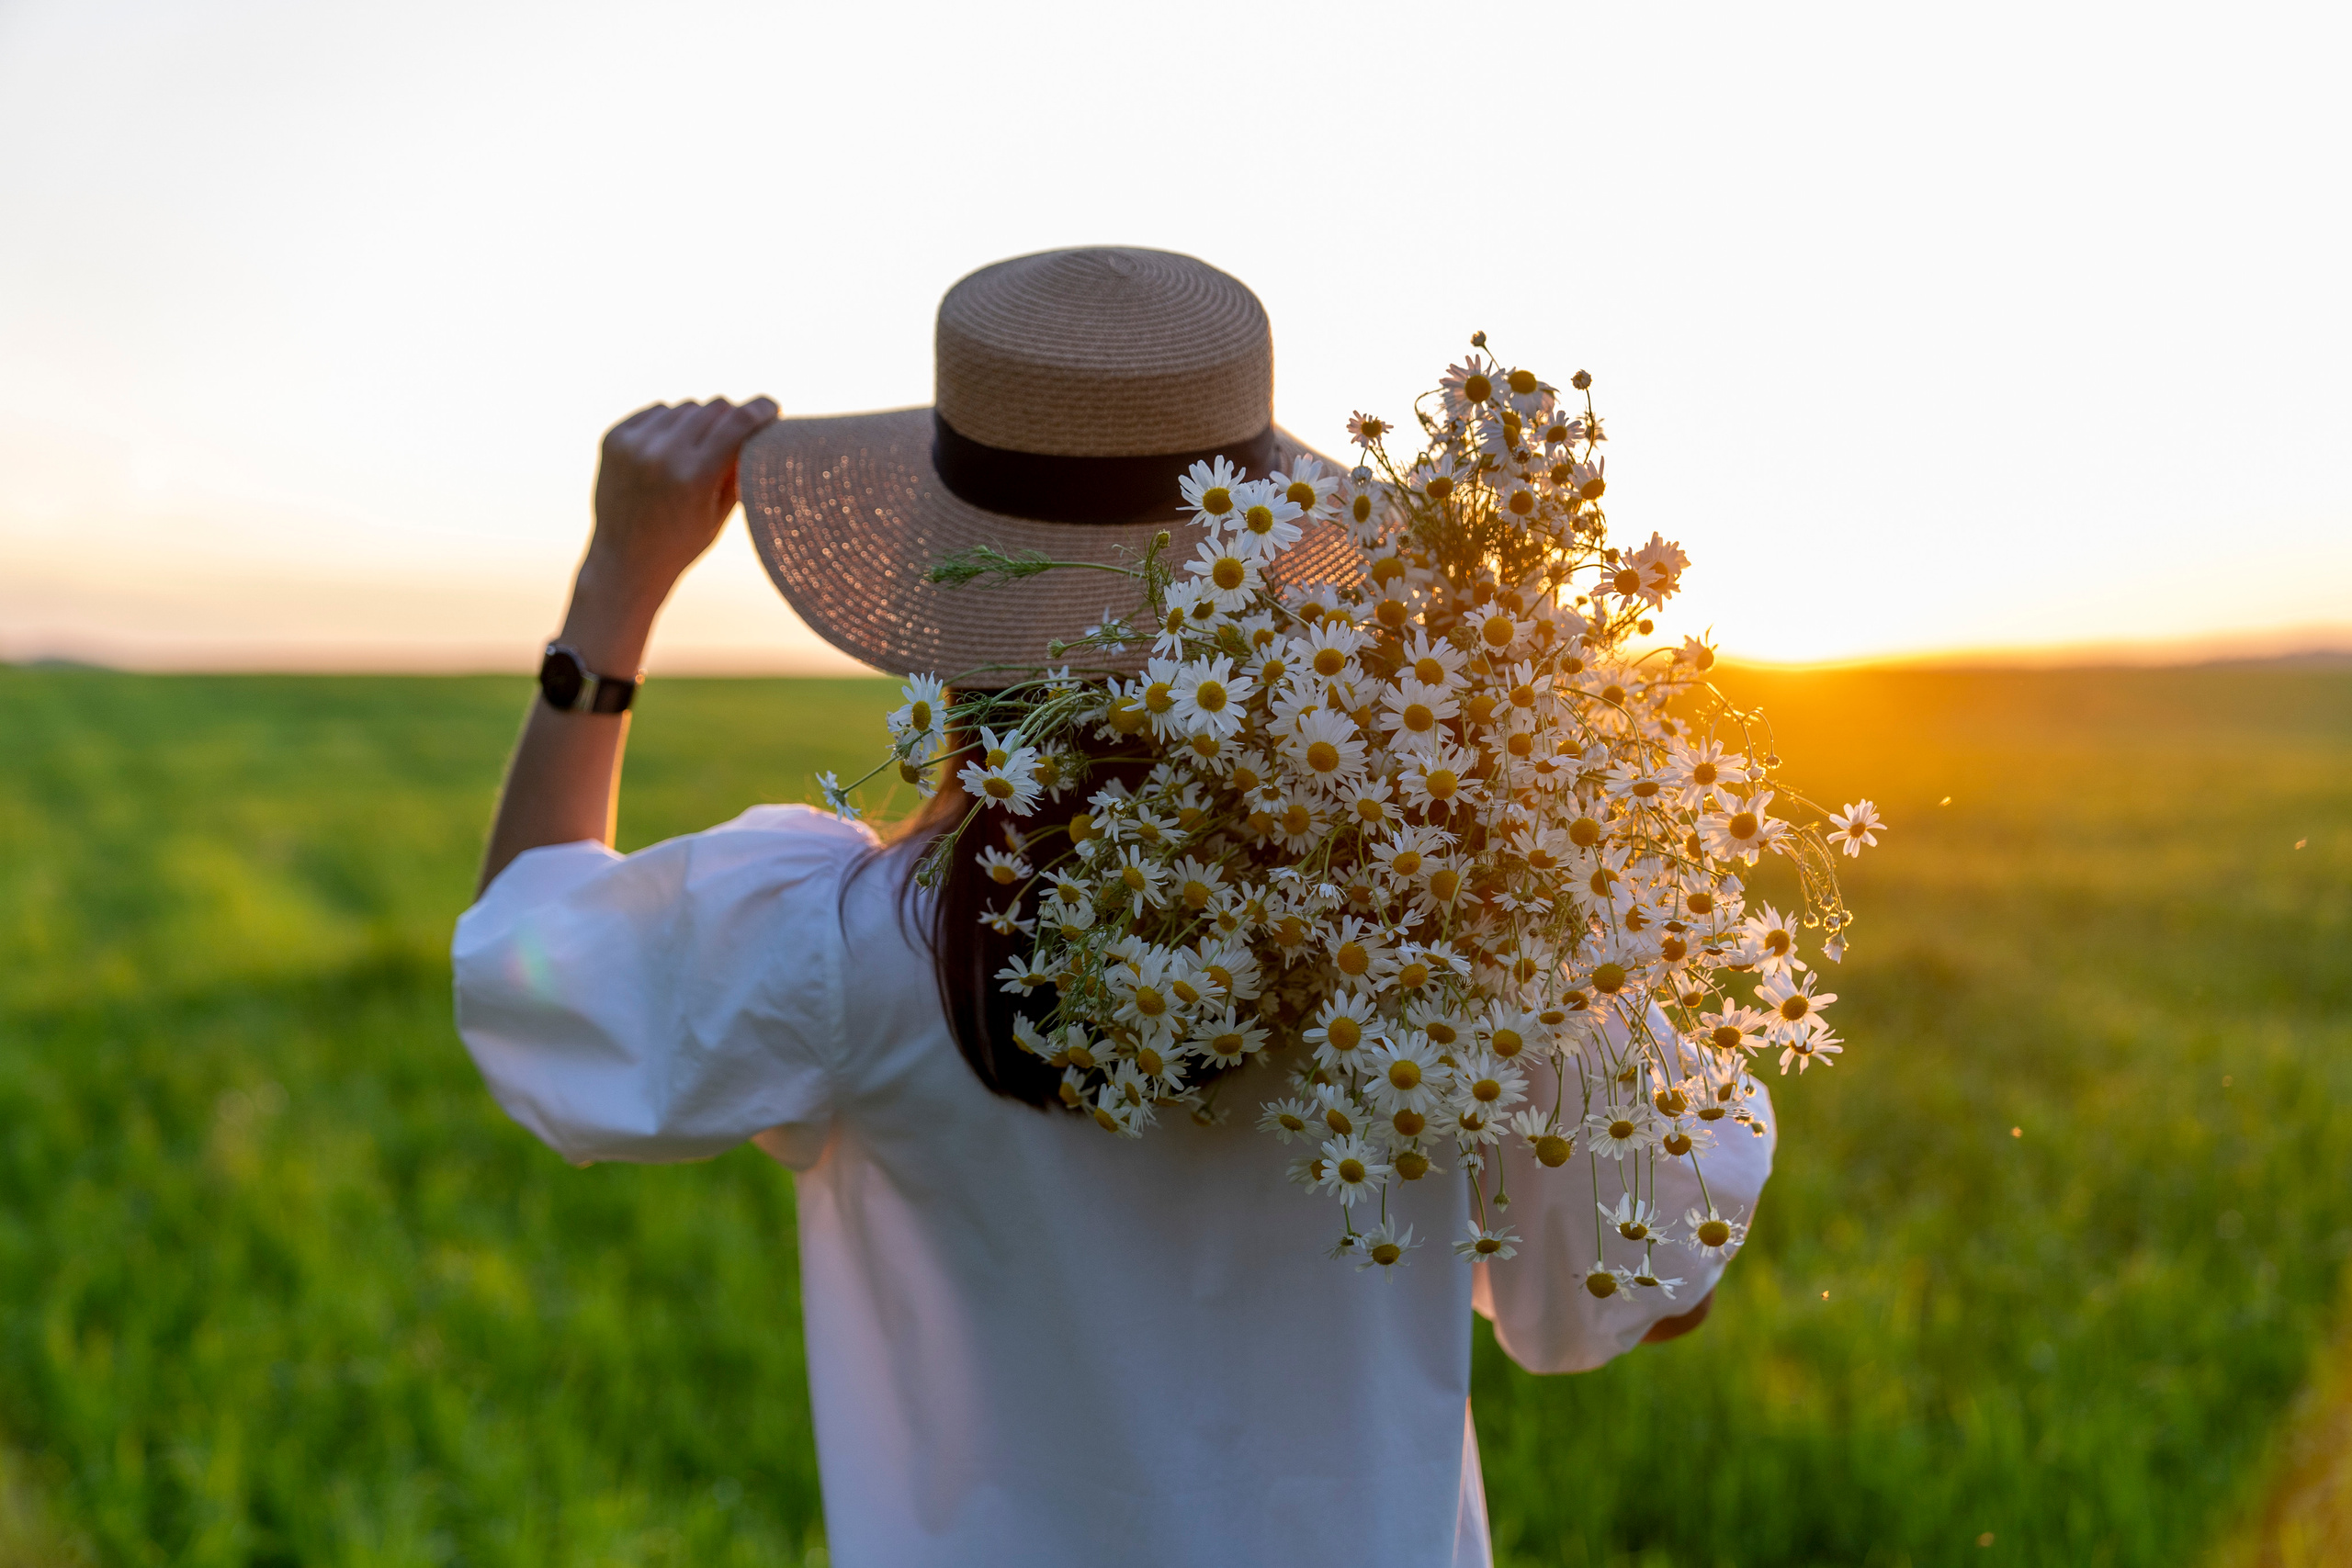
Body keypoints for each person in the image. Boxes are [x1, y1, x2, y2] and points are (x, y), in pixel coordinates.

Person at [453, 247, 1772, 1568]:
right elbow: (1653, 1297)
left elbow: (524, 964)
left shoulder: (848, 947)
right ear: (1275, 573)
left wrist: (617, 581)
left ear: (940, 596)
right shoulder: (1447, 934)